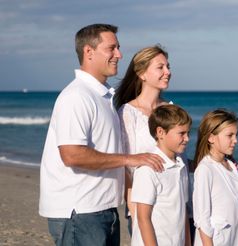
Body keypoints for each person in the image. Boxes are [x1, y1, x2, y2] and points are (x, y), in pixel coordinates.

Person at [39, 24, 163, 246]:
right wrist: (130, 159)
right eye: (112, 48)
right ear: (89, 52)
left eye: (118, 48)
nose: (119, 55)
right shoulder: (76, 96)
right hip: (80, 212)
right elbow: (72, 155)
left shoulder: (101, 97)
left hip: (102, 210)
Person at [114, 45, 172, 234]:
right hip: (145, 208)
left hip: (175, 205)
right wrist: (134, 212)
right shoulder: (128, 113)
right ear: (142, 73)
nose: (168, 72)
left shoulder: (172, 110)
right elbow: (126, 168)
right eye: (160, 67)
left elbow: (177, 160)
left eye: (168, 67)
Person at [130, 104, 192, 246]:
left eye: (188, 133)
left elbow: (183, 213)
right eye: (181, 133)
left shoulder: (181, 166)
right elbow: (143, 217)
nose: (187, 138)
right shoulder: (148, 169)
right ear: (160, 132)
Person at [192, 109, 238, 246]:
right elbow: (201, 217)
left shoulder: (231, 165)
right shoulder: (205, 169)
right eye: (230, 135)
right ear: (211, 138)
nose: (235, 141)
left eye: (236, 135)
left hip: (233, 238)